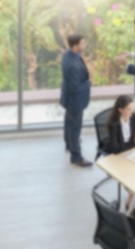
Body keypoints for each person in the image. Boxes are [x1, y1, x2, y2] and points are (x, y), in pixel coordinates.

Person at [60, 34, 92, 167]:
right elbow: (75, 87)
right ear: (75, 46)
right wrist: (89, 83)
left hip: (69, 98)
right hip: (75, 100)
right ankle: (76, 156)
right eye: (82, 43)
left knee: (69, 122)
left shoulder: (69, 53)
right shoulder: (72, 64)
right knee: (75, 127)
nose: (84, 45)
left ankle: (69, 144)